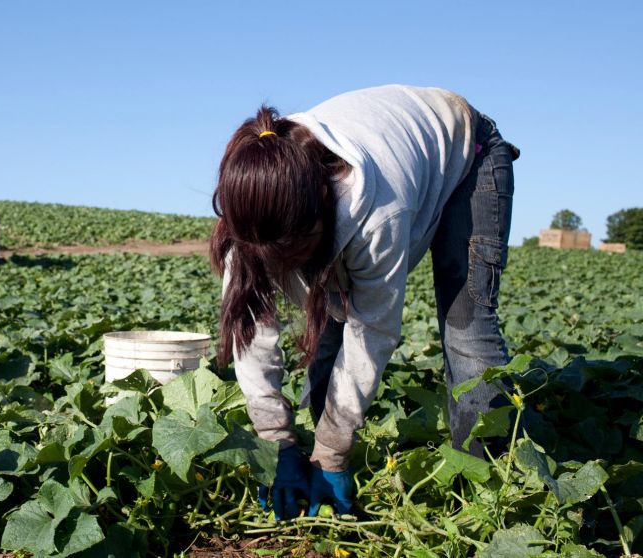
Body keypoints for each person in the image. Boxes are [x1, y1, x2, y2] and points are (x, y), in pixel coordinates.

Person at [209, 84, 520, 521]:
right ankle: (311, 460)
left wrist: (333, 452)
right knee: (329, 326)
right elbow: (253, 337)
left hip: (468, 156)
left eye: (294, 256)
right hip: (391, 161)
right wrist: (274, 442)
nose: (286, 271)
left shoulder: (376, 212)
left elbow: (370, 331)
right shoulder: (250, 220)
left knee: (467, 330)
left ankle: (489, 492)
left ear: (320, 212)